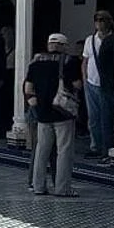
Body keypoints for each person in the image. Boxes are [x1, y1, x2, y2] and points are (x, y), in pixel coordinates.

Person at [24, 33, 82, 197]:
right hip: (63, 112)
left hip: (42, 113)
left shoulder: (36, 62)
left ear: (49, 45)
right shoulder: (70, 61)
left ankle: (38, 186)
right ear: (63, 46)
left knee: (41, 150)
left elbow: (28, 88)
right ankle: (62, 188)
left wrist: (36, 105)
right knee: (64, 151)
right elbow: (78, 84)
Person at [82, 10, 114, 159]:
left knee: (109, 117)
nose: (99, 23)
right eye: (97, 20)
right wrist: (85, 79)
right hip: (92, 83)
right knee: (94, 118)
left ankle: (111, 147)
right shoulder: (90, 40)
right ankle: (96, 146)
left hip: (108, 84)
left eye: (103, 20)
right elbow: (85, 61)